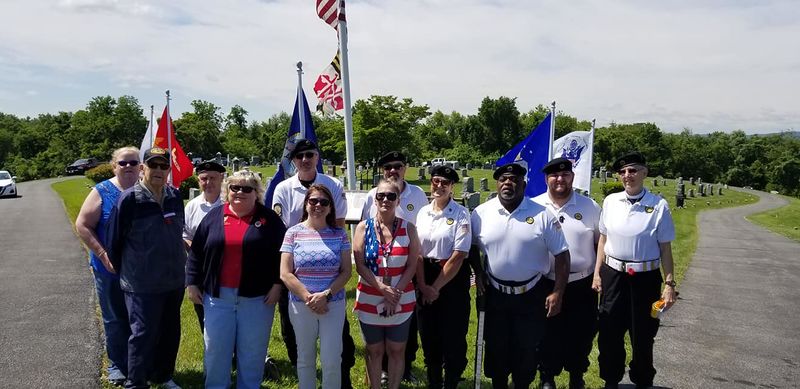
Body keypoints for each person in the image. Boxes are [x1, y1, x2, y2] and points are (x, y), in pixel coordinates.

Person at [470, 162, 570, 389]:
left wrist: (558, 292)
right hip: (495, 294)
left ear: (523, 185)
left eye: (514, 180)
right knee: (496, 346)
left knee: (526, 348)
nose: (508, 183)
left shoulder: (543, 214)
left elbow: (562, 255)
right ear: (497, 184)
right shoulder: (481, 214)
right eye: (503, 179)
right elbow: (471, 247)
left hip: (531, 294)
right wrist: (479, 272)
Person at [185, 170, 285, 389]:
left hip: (257, 298)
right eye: (235, 188)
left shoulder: (270, 220)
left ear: (256, 193)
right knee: (216, 349)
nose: (240, 192)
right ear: (227, 190)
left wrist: (278, 284)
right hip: (218, 297)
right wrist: (192, 283)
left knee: (253, 350)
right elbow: (197, 253)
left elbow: (284, 255)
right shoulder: (213, 217)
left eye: (247, 188)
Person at [271, 139, 356, 387]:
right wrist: (309, 296)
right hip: (299, 294)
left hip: (332, 298)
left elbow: (345, 268)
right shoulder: (283, 190)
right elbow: (285, 268)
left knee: (335, 356)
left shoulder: (333, 186)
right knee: (302, 355)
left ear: (317, 156)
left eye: (310, 154)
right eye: (299, 156)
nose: (305, 159)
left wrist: (326, 295)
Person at [592, 152, 677, 389]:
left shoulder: (658, 205)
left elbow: (665, 249)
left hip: (645, 280)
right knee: (609, 332)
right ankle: (611, 379)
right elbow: (603, 240)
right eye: (623, 172)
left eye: (633, 170)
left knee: (643, 334)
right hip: (613, 276)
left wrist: (669, 285)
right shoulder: (610, 202)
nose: (627, 176)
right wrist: (597, 273)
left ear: (644, 173)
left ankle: (643, 380)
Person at [105, 147, 186, 389]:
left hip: (173, 280)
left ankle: (162, 375)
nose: (159, 170)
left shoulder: (174, 196)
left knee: (170, 332)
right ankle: (136, 382)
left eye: (164, 166)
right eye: (154, 165)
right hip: (141, 284)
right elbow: (113, 242)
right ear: (143, 168)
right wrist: (130, 271)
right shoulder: (130, 199)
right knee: (142, 335)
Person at [532, 158, 601, 389]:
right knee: (547, 333)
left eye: (565, 175)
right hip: (546, 282)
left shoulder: (589, 207)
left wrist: (599, 276)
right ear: (546, 179)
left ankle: (576, 375)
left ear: (572, 177)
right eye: (554, 175)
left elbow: (599, 243)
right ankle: (547, 376)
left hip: (582, 283)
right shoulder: (534, 206)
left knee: (581, 333)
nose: (560, 179)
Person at [360, 151, 428, 383]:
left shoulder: (417, 196)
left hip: (403, 287)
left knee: (402, 343)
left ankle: (403, 372)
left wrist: (395, 291)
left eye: (397, 165)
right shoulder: (368, 208)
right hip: (372, 291)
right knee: (374, 349)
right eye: (387, 166)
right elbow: (360, 258)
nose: (385, 200)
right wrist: (381, 288)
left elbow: (415, 253)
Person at [75, 146, 140, 386]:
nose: (128, 167)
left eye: (133, 162)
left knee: (140, 320)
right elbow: (83, 225)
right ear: (114, 166)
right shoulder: (102, 190)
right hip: (109, 269)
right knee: (114, 318)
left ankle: (139, 364)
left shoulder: (147, 189)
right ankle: (117, 365)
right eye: (122, 163)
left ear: (140, 166)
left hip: (141, 271)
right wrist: (103, 255)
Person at [415, 166, 472, 389]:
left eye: (445, 183)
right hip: (424, 275)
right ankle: (433, 378)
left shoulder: (461, 214)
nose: (439, 186)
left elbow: (459, 255)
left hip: (451, 279)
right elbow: (417, 253)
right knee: (428, 332)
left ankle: (451, 380)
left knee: (453, 333)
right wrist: (422, 285)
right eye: (435, 181)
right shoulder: (422, 212)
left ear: (452, 187)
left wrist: (435, 288)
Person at [183, 160, 226, 332]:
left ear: (222, 178)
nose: (208, 183)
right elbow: (185, 234)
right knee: (204, 316)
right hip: (201, 270)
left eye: (213, 178)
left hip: (226, 268)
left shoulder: (230, 204)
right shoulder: (192, 206)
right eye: (204, 178)